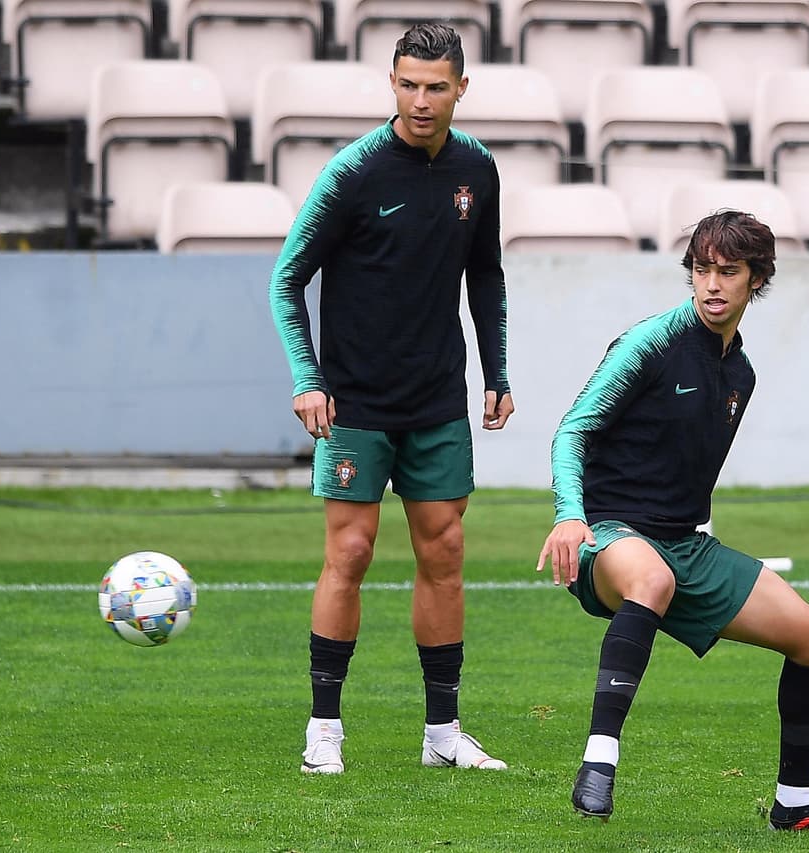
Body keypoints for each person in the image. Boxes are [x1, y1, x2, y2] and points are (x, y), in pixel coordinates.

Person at [535, 210, 809, 834]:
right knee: (652, 581)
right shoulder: (651, 343)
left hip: (684, 544)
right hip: (610, 534)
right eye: (701, 270)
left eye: (729, 271)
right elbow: (574, 429)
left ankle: (795, 803)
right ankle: (598, 763)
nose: (713, 284)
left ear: (757, 280)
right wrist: (570, 518)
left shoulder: (739, 374)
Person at [268, 21, 513, 775]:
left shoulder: (478, 168)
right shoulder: (354, 172)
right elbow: (286, 279)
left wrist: (496, 371)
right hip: (355, 403)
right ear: (392, 83)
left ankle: (443, 734)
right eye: (407, 83)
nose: (421, 99)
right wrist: (308, 379)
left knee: (445, 550)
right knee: (351, 550)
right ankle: (324, 732)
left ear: (461, 89)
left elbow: (488, 276)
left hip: (437, 396)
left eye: (436, 86)